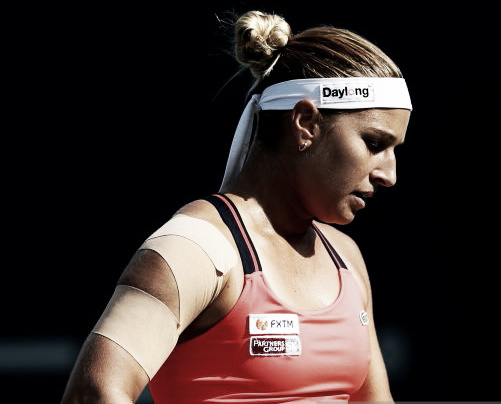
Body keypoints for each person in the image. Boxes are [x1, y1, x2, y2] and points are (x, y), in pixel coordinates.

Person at [60, 9, 412, 404]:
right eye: (374, 144)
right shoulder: (194, 248)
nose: (389, 175)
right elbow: (92, 393)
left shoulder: (346, 257)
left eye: (394, 150)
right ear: (306, 123)